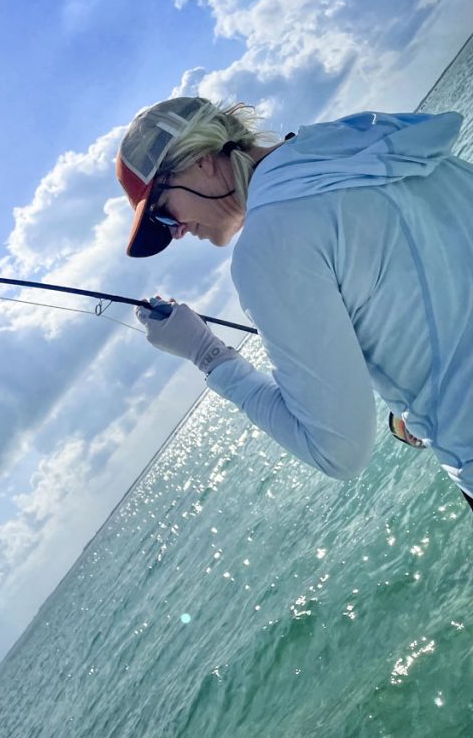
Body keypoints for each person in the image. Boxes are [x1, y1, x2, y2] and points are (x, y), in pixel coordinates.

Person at [115, 96, 473, 509]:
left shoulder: (269, 246)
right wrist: (407, 407)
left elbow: (339, 452)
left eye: (162, 214)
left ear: (200, 161)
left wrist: (207, 354)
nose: (174, 233)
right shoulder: (370, 141)